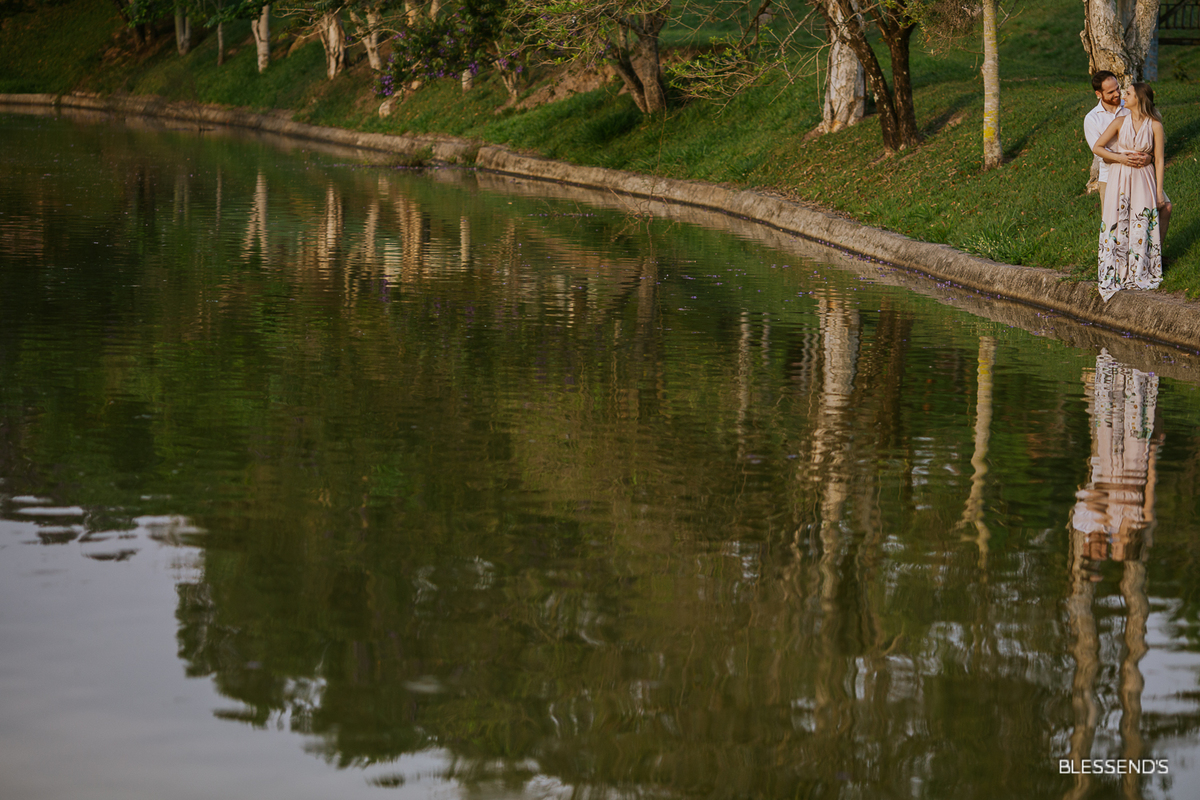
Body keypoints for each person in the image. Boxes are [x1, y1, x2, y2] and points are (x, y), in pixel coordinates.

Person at [1091, 83, 1171, 302]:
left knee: (1140, 222)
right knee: (1119, 221)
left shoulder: (1155, 125)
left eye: (1128, 93)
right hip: (1120, 177)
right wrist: (1120, 158)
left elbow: (1159, 160)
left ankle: (1140, 268)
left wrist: (1159, 191)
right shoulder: (1119, 122)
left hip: (1144, 178)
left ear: (1140, 99)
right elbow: (1098, 147)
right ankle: (1117, 269)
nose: (1123, 96)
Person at [1083, 71, 1149, 208]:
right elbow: (1099, 153)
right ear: (1098, 94)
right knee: (1112, 220)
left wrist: (1147, 157)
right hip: (1109, 178)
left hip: (1137, 174)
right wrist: (1122, 158)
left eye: (1117, 88)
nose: (1117, 94)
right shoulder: (1092, 118)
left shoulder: (1130, 107)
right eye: (1111, 92)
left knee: (1145, 215)